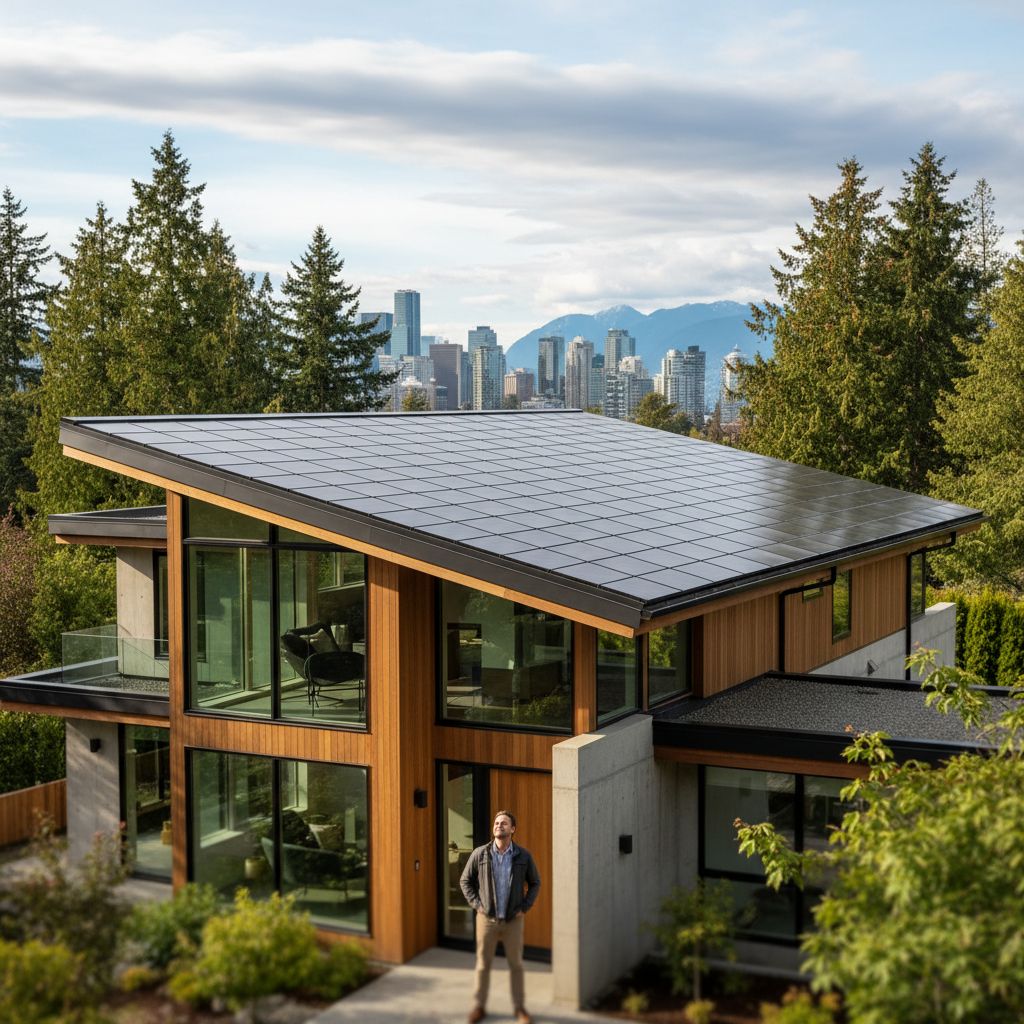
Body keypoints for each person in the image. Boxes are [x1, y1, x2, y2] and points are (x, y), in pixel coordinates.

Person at [460, 809, 541, 1024]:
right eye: (496, 823)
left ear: (512, 829)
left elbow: (535, 883)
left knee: (516, 964)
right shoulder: (481, 854)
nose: (498, 826)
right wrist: (477, 904)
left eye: (504, 823)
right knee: (483, 965)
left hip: (513, 920)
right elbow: (465, 881)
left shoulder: (523, 856)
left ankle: (519, 1008)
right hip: (487, 920)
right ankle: (479, 1006)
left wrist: (525, 906)